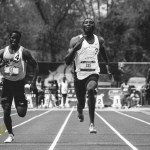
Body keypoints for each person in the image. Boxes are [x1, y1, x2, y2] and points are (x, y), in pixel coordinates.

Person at [65, 18, 109, 133]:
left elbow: (103, 52)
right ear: (82, 26)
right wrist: (75, 48)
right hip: (79, 75)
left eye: (91, 22)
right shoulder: (75, 40)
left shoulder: (99, 40)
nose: (88, 24)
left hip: (93, 73)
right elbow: (67, 61)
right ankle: (79, 110)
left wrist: (108, 65)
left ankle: (92, 124)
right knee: (81, 102)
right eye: (86, 22)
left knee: (90, 90)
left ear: (94, 26)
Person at [0, 30, 39, 143]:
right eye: (12, 38)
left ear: (19, 40)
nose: (14, 40)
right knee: (6, 110)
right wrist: (1, 64)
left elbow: (35, 65)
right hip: (7, 83)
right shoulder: (3, 52)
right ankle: (10, 134)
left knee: (21, 113)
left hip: (19, 84)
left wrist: (33, 82)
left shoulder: (24, 52)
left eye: (16, 38)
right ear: (9, 38)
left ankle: (23, 101)